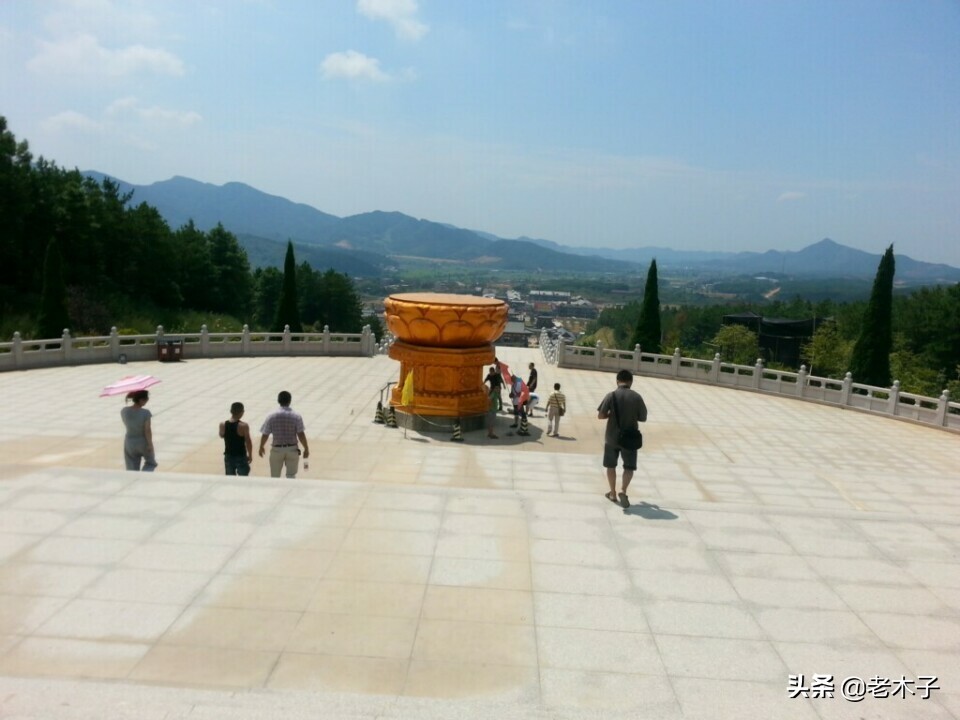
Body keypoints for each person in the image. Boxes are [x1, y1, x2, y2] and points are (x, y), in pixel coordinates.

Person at [597, 369, 648, 508]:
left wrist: (610, 415)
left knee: (610, 466)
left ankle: (612, 493)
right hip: (630, 438)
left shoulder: (611, 395)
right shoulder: (637, 397)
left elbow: (600, 415)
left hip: (611, 437)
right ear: (631, 382)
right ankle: (623, 490)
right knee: (629, 467)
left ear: (617, 381)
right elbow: (643, 418)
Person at [258, 391, 309, 478]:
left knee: (275, 476)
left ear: (278, 400)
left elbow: (265, 433)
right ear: (290, 400)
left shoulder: (271, 416)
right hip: (292, 449)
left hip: (276, 450)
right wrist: (306, 448)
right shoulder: (296, 416)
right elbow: (301, 434)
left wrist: (261, 446)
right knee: (291, 475)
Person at [121, 389, 157, 471]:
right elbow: (147, 430)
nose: (147, 401)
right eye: (146, 399)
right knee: (151, 463)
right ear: (141, 400)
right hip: (142, 441)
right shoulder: (146, 413)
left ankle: (134, 478)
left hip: (129, 442)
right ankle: (145, 476)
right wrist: (150, 444)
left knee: (131, 466)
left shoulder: (124, 411)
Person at [219, 401, 253, 476]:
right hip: (241, 456)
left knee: (230, 478)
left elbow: (221, 435)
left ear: (231, 411)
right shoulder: (244, 426)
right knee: (243, 478)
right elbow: (248, 442)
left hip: (228, 455)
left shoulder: (223, 424)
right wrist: (250, 455)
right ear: (242, 412)